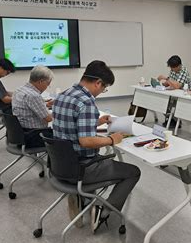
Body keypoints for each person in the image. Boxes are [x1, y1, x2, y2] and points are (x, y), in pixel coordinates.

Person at [52, 60, 141, 232]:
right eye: (104, 88)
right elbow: (85, 141)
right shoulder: (86, 102)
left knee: (106, 158)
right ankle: (104, 212)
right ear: (98, 82)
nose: (101, 92)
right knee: (133, 172)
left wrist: (95, 121)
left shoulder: (63, 95)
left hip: (60, 164)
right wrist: (112, 139)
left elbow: (69, 126)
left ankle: (78, 197)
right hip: (82, 167)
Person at [12, 65, 54, 148]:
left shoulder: (19, 90)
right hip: (34, 136)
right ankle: (55, 160)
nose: (47, 87)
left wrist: (46, 105)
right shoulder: (33, 95)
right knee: (65, 137)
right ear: (41, 81)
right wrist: (62, 109)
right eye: (47, 84)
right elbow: (48, 118)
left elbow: (27, 108)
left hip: (20, 134)